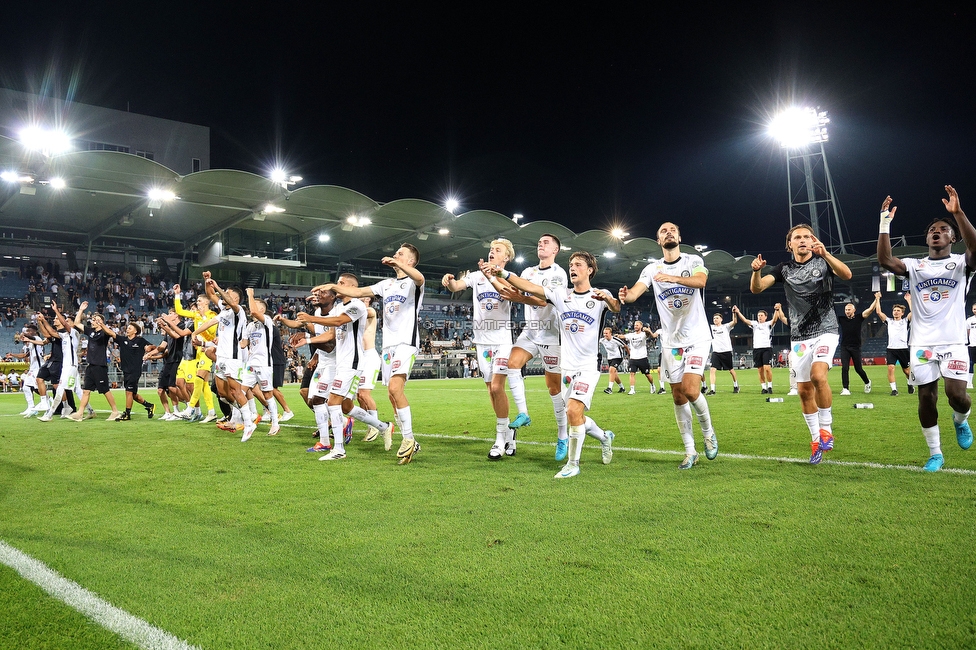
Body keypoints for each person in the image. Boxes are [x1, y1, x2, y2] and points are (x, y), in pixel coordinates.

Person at [485, 251, 618, 478]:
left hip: (587, 366)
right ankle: (605, 437)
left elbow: (616, 307)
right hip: (567, 367)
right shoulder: (560, 295)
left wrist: (608, 300)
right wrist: (503, 273)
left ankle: (573, 464)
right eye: (571, 264)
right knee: (574, 415)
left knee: (573, 410)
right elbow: (529, 286)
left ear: (590, 270)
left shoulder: (599, 295)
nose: (572, 268)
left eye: (578, 264)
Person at [876, 187, 975, 472]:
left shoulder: (962, 263)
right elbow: (885, 260)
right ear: (927, 238)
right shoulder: (914, 265)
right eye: (933, 229)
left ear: (952, 238)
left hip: (954, 341)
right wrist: (885, 223)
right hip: (921, 343)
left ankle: (961, 420)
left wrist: (957, 213)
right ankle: (935, 453)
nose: (937, 232)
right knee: (926, 397)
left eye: (944, 229)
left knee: (956, 395)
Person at [619, 222, 717, 469]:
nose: (668, 232)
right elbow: (635, 292)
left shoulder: (692, 260)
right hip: (671, 343)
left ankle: (708, 432)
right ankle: (690, 451)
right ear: (659, 241)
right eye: (663, 231)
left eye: (672, 229)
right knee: (677, 395)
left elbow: (701, 281)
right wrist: (626, 296)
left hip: (696, 337)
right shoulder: (652, 268)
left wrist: (671, 278)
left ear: (680, 236)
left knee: (691, 390)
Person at [751, 224, 852, 464]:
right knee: (805, 391)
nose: (804, 240)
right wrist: (755, 271)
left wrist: (826, 253)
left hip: (826, 330)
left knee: (819, 376)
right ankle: (816, 440)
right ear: (790, 244)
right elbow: (757, 288)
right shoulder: (783, 268)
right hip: (799, 337)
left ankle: (827, 428)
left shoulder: (823, 261)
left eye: (807, 236)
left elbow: (847, 275)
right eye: (798, 237)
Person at [325, 244, 425, 464]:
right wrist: (334, 286)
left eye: (401, 254)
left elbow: (419, 277)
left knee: (394, 389)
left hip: (405, 343)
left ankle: (409, 439)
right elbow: (359, 292)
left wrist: (396, 262)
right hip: (388, 347)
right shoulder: (387, 284)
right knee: (392, 395)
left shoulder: (413, 282)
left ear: (410, 261)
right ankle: (406, 439)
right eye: (396, 253)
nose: (396, 255)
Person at [299, 274, 395, 460]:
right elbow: (330, 334)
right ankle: (383, 427)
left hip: (352, 362)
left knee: (333, 403)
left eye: (341, 283)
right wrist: (308, 339)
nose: (338, 285)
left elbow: (338, 322)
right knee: (346, 406)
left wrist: (311, 317)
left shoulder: (357, 305)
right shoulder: (338, 308)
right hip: (339, 362)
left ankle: (338, 450)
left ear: (351, 286)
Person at [494, 234, 570, 460]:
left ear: (556, 250)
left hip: (551, 334)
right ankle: (524, 413)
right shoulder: (528, 272)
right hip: (530, 331)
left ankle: (562, 436)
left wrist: (520, 298)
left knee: (554, 389)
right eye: (539, 242)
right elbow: (508, 287)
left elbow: (545, 300)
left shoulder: (559, 274)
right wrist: (492, 273)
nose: (541, 244)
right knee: (512, 364)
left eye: (546, 242)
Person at [443, 239, 518, 461]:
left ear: (506, 258)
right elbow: (457, 286)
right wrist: (449, 281)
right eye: (491, 250)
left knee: (497, 387)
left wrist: (491, 276)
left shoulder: (510, 277)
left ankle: (499, 440)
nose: (492, 252)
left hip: (503, 340)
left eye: (497, 250)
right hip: (482, 342)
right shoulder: (476, 276)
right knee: (491, 391)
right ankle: (509, 433)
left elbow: (507, 293)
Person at [68, 302, 122, 421]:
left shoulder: (104, 333)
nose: (93, 321)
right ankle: (80, 413)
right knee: (86, 390)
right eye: (93, 319)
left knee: (105, 390)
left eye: (96, 319)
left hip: (100, 365)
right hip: (91, 365)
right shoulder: (90, 331)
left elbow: (110, 333)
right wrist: (81, 310)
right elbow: (76, 323)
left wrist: (102, 324)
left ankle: (115, 411)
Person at [104, 321, 156, 421]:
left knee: (128, 392)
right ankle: (149, 406)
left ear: (135, 331)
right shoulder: (122, 340)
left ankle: (127, 414)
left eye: (130, 328)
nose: (127, 329)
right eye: (127, 328)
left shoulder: (140, 341)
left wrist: (150, 348)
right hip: (126, 370)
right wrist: (102, 324)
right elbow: (111, 333)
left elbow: (153, 347)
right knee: (133, 394)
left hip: (135, 371)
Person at [732, 304, 787, 394]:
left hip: (766, 348)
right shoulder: (754, 324)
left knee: (767, 368)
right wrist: (738, 312)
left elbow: (775, 320)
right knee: (760, 370)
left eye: (761, 315)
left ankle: (770, 386)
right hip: (757, 349)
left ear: (765, 317)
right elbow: (745, 320)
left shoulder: (768, 324)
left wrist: (777, 310)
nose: (759, 317)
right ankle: (763, 388)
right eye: (758, 315)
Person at [837, 294, 880, 395]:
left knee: (858, 369)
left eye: (849, 309)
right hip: (844, 347)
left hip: (856, 347)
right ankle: (845, 389)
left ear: (854, 310)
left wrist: (876, 299)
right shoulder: (841, 319)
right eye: (846, 310)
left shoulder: (859, 318)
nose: (847, 311)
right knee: (845, 368)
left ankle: (867, 382)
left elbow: (870, 309)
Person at [875, 291, 913, 396]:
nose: (895, 312)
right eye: (894, 310)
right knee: (890, 368)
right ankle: (894, 390)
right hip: (891, 349)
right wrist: (878, 298)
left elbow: (913, 312)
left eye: (898, 310)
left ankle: (910, 383)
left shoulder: (906, 321)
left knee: (906, 371)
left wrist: (909, 300)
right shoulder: (889, 321)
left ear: (902, 313)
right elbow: (878, 312)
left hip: (903, 349)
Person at [623, 321, 659, 394]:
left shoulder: (643, 334)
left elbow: (648, 334)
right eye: (634, 325)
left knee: (647, 374)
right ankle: (632, 389)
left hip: (642, 358)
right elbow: (623, 336)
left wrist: (647, 330)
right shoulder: (631, 335)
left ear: (641, 326)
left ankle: (652, 385)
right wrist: (617, 336)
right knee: (632, 373)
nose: (635, 326)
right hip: (633, 358)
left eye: (637, 325)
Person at [708, 311, 739, 395]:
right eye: (714, 318)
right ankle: (712, 390)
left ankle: (736, 385)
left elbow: (735, 321)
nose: (715, 319)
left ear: (721, 319)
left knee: (731, 370)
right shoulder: (711, 327)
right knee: (712, 370)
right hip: (716, 352)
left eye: (717, 318)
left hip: (726, 351)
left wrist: (734, 313)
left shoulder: (726, 327)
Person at [600, 327, 626, 394]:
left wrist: (630, 355)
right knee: (614, 374)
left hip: (618, 357)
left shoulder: (615, 340)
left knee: (611, 370)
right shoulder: (602, 340)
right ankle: (622, 388)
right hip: (610, 358)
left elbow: (625, 346)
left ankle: (609, 388)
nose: (605, 334)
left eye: (606, 333)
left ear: (610, 333)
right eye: (604, 333)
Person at [966, 302, 976, 389]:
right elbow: (968, 332)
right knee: (971, 363)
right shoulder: (969, 320)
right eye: (974, 309)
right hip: (972, 345)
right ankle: (969, 383)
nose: (975, 310)